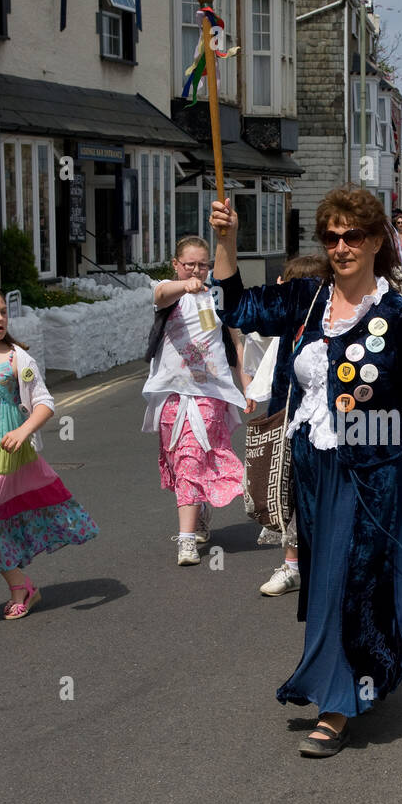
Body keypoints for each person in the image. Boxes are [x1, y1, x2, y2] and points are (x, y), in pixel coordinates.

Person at [211, 185, 402, 758]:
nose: (342, 246)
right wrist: (226, 242)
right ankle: (339, 680)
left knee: (349, 580)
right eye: (331, 237)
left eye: (353, 235)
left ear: (377, 240)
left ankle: (338, 704)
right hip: (312, 465)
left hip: (372, 471)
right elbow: (238, 309)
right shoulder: (304, 298)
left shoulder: (396, 315)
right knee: (326, 581)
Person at [0, 283, 99, 634]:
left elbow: (44, 403)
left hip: (5, 455)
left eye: (3, 312)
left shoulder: (16, 358)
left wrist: (23, 432)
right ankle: (22, 587)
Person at [142, 236, 249, 567]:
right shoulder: (169, 293)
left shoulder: (217, 298)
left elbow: (237, 343)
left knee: (192, 456)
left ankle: (186, 540)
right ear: (176, 264)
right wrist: (185, 284)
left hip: (211, 394)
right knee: (181, 460)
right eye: (190, 264)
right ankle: (199, 509)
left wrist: (248, 387)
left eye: (204, 264)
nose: (198, 270)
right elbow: (159, 294)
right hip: (172, 391)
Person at [251, 255, 331, 596]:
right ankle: (292, 566)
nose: (281, 290)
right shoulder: (290, 326)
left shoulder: (328, 325)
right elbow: (266, 358)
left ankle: (327, 565)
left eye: (289, 285)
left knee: (323, 494)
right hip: (289, 420)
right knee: (292, 491)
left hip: (325, 424)